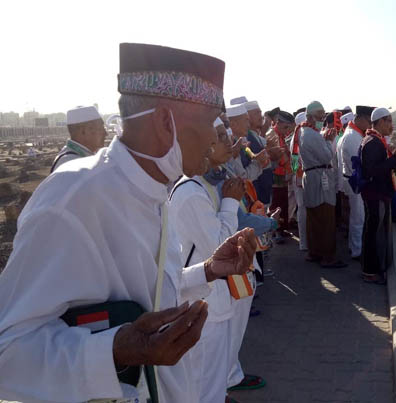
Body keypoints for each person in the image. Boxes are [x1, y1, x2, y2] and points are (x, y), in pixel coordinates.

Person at [0, 43, 257, 402]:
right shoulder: (72, 198)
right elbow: (8, 353)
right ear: (165, 123)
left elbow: (147, 299)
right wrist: (115, 351)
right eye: (210, 122)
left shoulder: (154, 190)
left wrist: (209, 270)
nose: (218, 137)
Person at [169, 117, 263, 403]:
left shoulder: (211, 183)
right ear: (204, 146)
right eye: (220, 137)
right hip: (205, 299)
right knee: (204, 379)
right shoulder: (190, 192)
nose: (228, 143)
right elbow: (216, 246)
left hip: (218, 294)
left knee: (216, 373)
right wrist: (231, 202)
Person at [359, 107, 396, 284]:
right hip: (375, 194)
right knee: (372, 232)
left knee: (376, 230)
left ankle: (376, 267)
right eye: (388, 121)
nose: (391, 124)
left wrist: (394, 158)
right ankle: (369, 271)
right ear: (380, 122)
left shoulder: (377, 140)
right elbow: (372, 170)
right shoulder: (372, 142)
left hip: (379, 193)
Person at [300, 101, 346, 268]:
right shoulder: (312, 134)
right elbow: (326, 157)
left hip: (313, 178)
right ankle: (328, 257)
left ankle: (315, 252)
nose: (322, 118)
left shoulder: (307, 132)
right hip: (319, 179)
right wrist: (328, 141)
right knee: (325, 218)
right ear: (311, 117)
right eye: (320, 115)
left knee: (315, 218)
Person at [338, 106, 372, 260]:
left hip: (353, 179)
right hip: (354, 180)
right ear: (362, 119)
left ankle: (355, 247)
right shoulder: (352, 136)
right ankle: (357, 250)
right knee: (358, 217)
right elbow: (357, 163)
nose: (370, 126)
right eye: (369, 122)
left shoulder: (354, 133)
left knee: (356, 216)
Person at [51, 105, 107, 172]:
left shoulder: (76, 157)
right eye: (100, 129)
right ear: (83, 131)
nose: (106, 133)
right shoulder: (71, 163)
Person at [269, 110, 295, 240]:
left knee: (284, 203)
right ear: (278, 123)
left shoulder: (280, 135)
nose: (286, 131)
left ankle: (282, 228)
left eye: (288, 128)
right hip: (275, 175)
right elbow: (278, 157)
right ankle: (275, 231)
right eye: (285, 127)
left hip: (282, 174)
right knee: (276, 204)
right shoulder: (271, 135)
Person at [290, 111, 308, 251]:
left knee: (303, 209)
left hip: (299, 176)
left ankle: (304, 242)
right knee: (303, 209)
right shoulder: (300, 136)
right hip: (301, 177)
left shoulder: (297, 135)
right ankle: (305, 242)